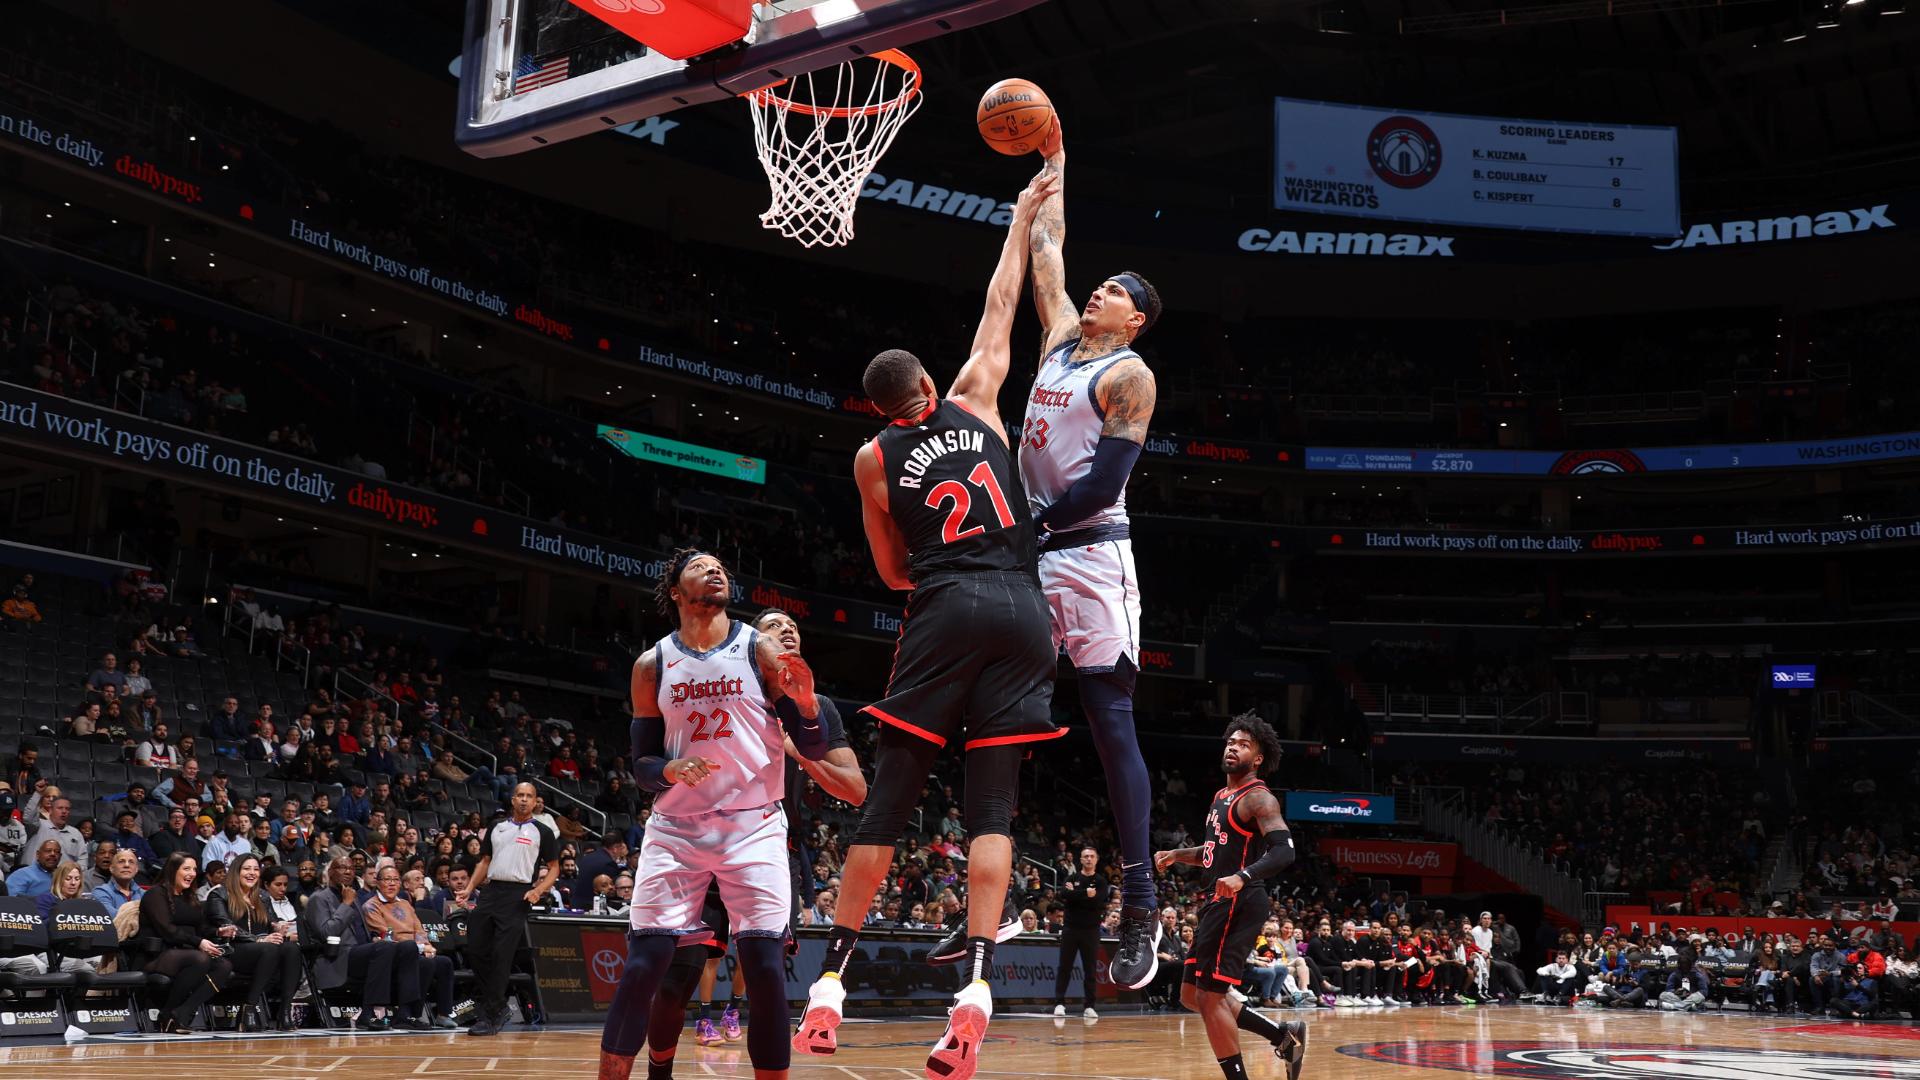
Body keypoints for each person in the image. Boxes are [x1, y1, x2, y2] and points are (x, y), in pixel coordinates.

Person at [793, 172, 1062, 1080]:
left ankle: (827, 986)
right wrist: (1021, 213)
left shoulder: (872, 459)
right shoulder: (980, 395)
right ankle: (978, 989)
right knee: (993, 805)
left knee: (892, 794)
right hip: (1026, 609)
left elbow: (892, 571)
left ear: (877, 406)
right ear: (929, 384)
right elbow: (1002, 300)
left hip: (945, 604)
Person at [1018, 118, 1167, 992]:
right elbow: (1048, 246)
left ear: (1135, 319)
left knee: (1111, 724)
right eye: (1099, 285)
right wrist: (1054, 158)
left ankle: (1142, 895)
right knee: (996, 697)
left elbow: (1104, 482)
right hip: (1036, 552)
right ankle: (981, 902)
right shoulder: (1058, 341)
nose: (1097, 291)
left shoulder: (1129, 378)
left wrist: (1029, 529)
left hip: (1090, 555)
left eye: (1113, 290)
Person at [596, 554, 831, 1080]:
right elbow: (642, 766)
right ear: (676, 592)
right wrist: (672, 768)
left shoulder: (760, 649)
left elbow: (813, 744)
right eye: (700, 567)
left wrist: (809, 706)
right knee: (644, 966)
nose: (715, 570)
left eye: (720, 565)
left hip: (753, 826)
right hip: (678, 829)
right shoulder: (652, 665)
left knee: (766, 969)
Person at [1152, 714, 1305, 1080]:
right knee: (1191, 995)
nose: (1233, 747)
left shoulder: (1259, 799)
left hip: (1240, 899)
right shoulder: (1223, 795)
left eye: (1243, 744)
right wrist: (1178, 855)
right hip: (1216, 901)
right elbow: (1216, 848)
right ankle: (1285, 1036)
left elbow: (1285, 851)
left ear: (1257, 758)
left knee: (1210, 997)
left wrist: (1243, 876)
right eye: (1231, 741)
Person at [458, 783, 561, 1037]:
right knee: (476, 948)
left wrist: (539, 889)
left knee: (502, 955)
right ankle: (499, 1006)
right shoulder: (496, 827)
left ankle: (492, 1013)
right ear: (513, 799)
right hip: (491, 891)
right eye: (521, 796)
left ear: (536, 801)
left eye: (530, 796)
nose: (525, 800)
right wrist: (470, 887)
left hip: (519, 895)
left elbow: (555, 868)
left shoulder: (543, 831)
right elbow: (485, 861)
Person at [307, 856, 420, 1030]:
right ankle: (368, 1013)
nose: (347, 872)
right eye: (341, 868)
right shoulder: (319, 898)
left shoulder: (354, 896)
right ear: (330, 873)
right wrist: (346, 904)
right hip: (338, 956)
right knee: (384, 947)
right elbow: (326, 932)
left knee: (408, 946)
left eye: (351, 869)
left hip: (363, 952)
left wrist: (374, 937)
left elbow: (365, 931)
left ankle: (405, 1013)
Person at [138, 853, 234, 1033]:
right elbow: (167, 930)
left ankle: (181, 1012)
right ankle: (167, 1013)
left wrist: (217, 931)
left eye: (194, 869)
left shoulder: (190, 897)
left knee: (224, 965)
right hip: (158, 954)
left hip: (188, 953)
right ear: (172, 870)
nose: (192, 873)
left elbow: (201, 929)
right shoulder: (155, 894)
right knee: (200, 959)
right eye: (186, 868)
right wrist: (199, 943)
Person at [209, 853, 304, 1030]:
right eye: (246, 869)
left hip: (262, 951)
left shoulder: (262, 896)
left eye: (255, 869)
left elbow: (271, 921)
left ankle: (284, 1011)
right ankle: (248, 1009)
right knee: (269, 949)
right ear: (236, 871)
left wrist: (278, 927)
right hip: (232, 949)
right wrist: (259, 939)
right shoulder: (219, 894)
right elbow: (226, 926)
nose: (252, 873)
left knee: (291, 949)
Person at [365, 863, 459, 1028]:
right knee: (422, 960)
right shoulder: (371, 905)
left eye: (395, 879)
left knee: (444, 962)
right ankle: (407, 1014)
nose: (392, 883)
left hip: (415, 948)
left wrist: (426, 946)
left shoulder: (405, 904)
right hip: (394, 952)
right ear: (378, 883)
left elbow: (419, 929)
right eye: (387, 879)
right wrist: (420, 948)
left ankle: (443, 1014)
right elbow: (386, 934)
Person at [1051, 846, 1113, 1018]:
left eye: (1092, 856)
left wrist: (1076, 895)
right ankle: (1059, 1003)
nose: (1088, 859)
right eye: (1085, 856)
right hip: (1070, 929)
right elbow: (1064, 894)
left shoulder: (1101, 881)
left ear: (1097, 859)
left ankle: (1089, 1006)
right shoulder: (1072, 877)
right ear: (1080, 859)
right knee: (1065, 967)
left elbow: (1099, 901)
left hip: (1091, 930)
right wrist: (1086, 893)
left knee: (1090, 969)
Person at [92, 847, 146, 912]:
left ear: (136, 869)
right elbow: (112, 917)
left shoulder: (143, 894)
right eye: (121, 861)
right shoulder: (101, 892)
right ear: (111, 868)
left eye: (131, 862)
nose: (126, 865)